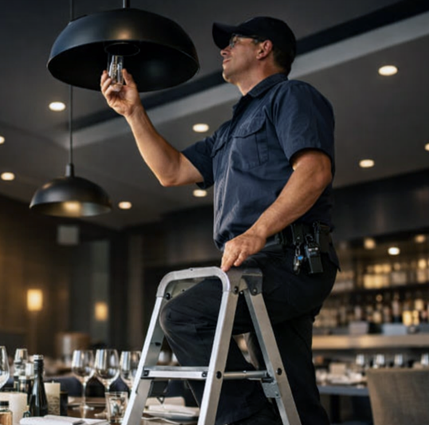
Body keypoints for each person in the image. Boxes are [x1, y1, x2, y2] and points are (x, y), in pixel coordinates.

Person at [101, 16, 338, 425]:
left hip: (291, 259)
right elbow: (171, 171)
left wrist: (257, 231)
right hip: (259, 265)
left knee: (182, 315)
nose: (223, 49)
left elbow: (314, 172)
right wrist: (133, 112)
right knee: (294, 394)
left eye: (233, 41)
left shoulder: (292, 96)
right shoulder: (229, 131)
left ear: (264, 48)